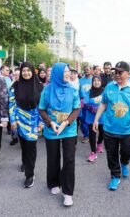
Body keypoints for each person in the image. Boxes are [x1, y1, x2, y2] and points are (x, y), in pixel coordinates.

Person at [93, 61, 130, 191]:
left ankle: (124, 163)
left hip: (127, 130)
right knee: (111, 155)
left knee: (127, 152)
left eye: (120, 72)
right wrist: (96, 119)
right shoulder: (109, 87)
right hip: (109, 129)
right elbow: (103, 104)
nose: (117, 75)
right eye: (116, 72)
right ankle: (115, 176)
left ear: (128, 74)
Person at [38, 63, 81, 207]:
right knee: (53, 157)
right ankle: (53, 182)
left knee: (69, 160)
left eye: (69, 71)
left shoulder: (73, 89)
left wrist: (66, 122)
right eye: (65, 72)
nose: (68, 74)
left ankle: (68, 193)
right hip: (52, 129)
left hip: (68, 129)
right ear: (57, 73)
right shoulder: (47, 90)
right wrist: (50, 122)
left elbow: (76, 109)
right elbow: (42, 109)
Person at [9, 62, 44, 188]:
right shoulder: (15, 86)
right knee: (24, 145)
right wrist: (12, 120)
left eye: (28, 70)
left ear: (33, 71)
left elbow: (43, 106)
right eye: (24, 71)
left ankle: (30, 174)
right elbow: (11, 104)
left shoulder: (40, 87)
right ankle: (25, 162)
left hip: (34, 121)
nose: (26, 73)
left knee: (31, 147)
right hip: (20, 120)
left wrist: (41, 121)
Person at [84, 75, 104, 162]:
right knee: (92, 134)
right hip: (91, 117)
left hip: (102, 116)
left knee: (102, 132)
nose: (96, 82)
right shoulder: (88, 92)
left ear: (101, 82)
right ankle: (93, 152)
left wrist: (101, 109)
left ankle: (99, 143)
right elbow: (84, 103)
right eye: (94, 80)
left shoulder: (105, 92)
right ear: (92, 82)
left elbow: (108, 103)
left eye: (98, 80)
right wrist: (93, 108)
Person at [79, 66, 93, 143]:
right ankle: (86, 136)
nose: (86, 71)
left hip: (92, 103)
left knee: (92, 120)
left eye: (87, 69)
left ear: (91, 71)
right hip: (83, 104)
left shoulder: (94, 79)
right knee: (83, 120)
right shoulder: (80, 80)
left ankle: (92, 135)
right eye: (85, 70)